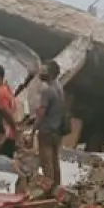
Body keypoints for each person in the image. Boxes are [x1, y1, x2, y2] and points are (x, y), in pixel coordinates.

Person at [33, 60, 68, 193]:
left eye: (44, 71)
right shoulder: (59, 87)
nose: (40, 73)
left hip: (47, 130)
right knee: (54, 160)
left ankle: (49, 191)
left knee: (46, 162)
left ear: (50, 73)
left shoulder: (46, 90)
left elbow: (41, 113)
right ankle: (57, 188)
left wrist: (33, 130)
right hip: (58, 130)